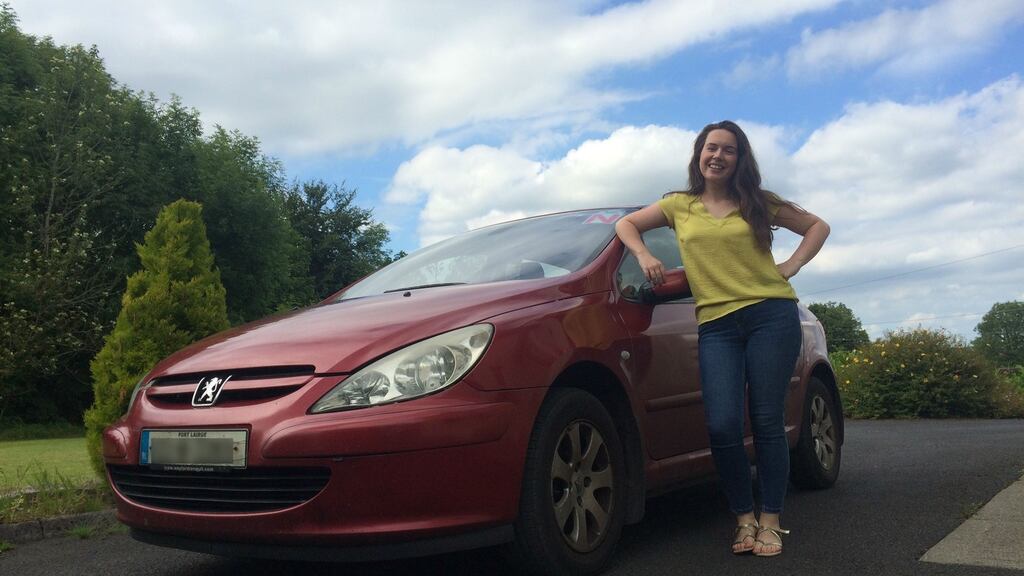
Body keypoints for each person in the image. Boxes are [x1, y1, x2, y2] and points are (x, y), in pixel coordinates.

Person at [614, 120, 829, 557]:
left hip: (770, 315)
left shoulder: (758, 203)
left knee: (767, 419)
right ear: (699, 155)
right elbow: (626, 226)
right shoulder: (678, 205)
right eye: (711, 148)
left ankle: (770, 519)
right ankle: (742, 517)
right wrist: (644, 254)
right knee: (722, 424)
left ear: (739, 159)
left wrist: (790, 267)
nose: (718, 156)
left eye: (728, 150)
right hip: (716, 325)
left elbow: (817, 227)